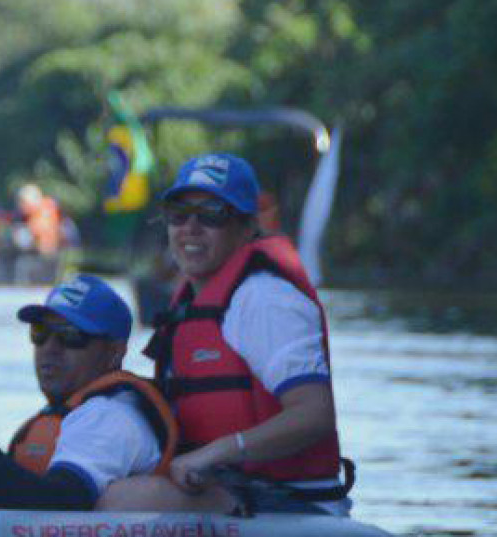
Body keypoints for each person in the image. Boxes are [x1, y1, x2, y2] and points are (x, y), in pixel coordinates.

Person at [100, 152, 352, 516]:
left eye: (212, 214)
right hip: (232, 491)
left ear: (247, 227)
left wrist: (218, 452)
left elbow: (314, 415)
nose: (191, 228)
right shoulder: (191, 301)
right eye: (179, 214)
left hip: (295, 505)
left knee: (120, 500)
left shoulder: (265, 299)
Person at [0, 275, 175, 511]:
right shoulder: (72, 411)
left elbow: (51, 507)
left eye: (70, 335)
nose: (50, 347)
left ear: (113, 354)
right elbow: (6, 485)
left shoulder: (111, 416)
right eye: (40, 332)